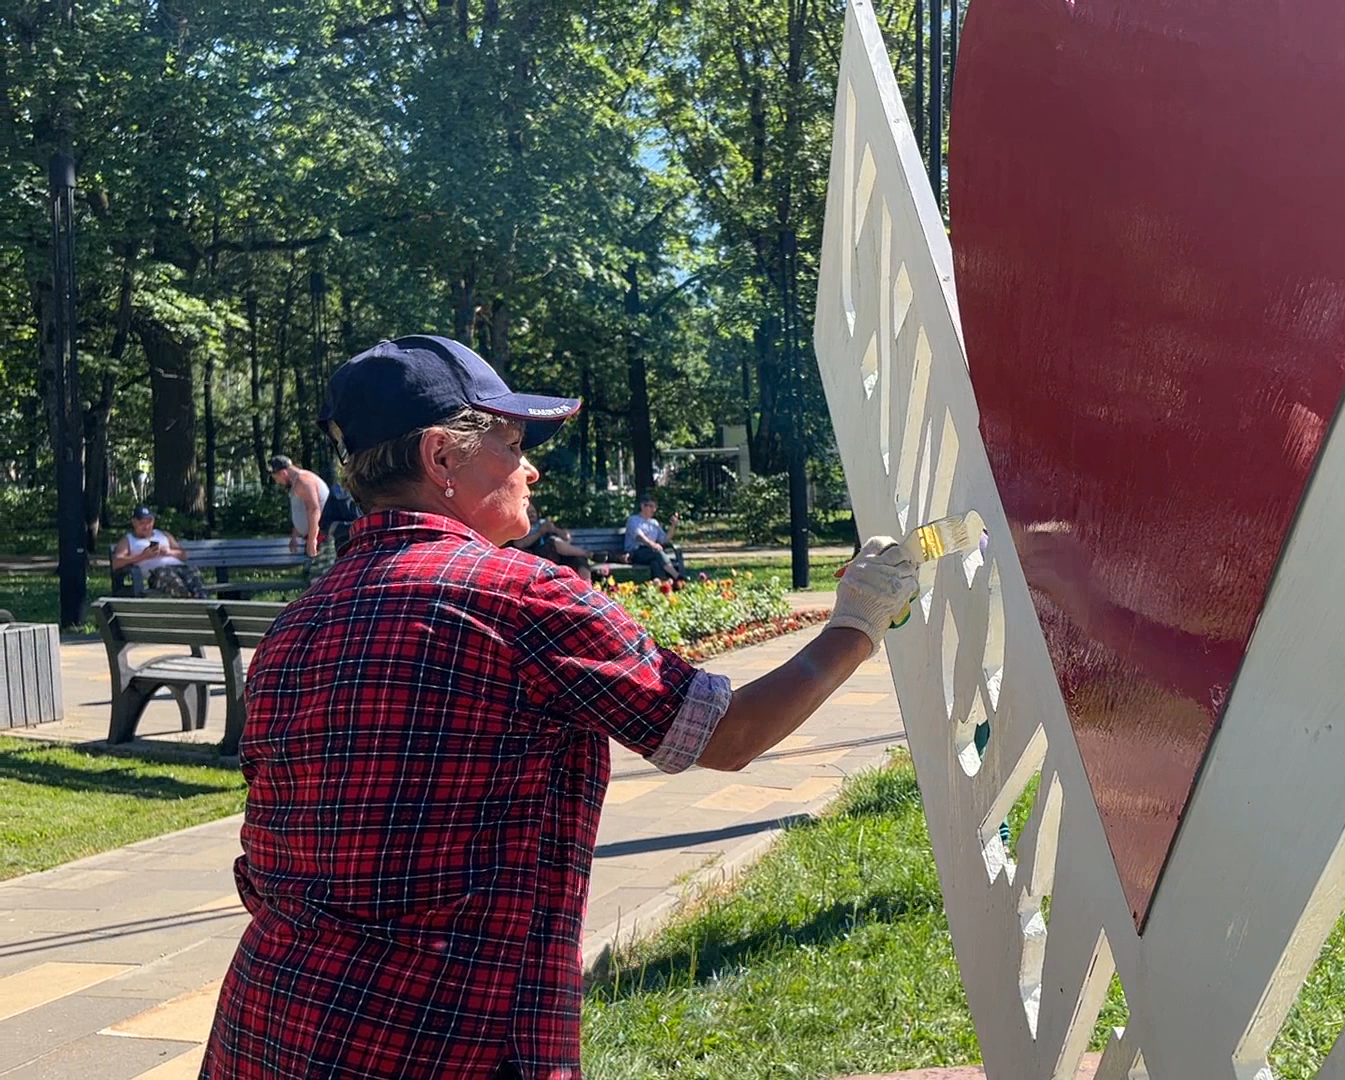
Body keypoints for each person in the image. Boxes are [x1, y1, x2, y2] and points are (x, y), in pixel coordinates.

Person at [201, 334, 916, 1080]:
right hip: (448, 1037)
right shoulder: (524, 596)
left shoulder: (297, 624)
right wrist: (856, 627)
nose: (531, 466)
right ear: (440, 458)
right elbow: (728, 735)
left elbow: (267, 855)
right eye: (511, 443)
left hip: (268, 1027)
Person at [109, 507, 209, 598]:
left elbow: (184, 555)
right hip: (158, 572)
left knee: (199, 587)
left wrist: (168, 552)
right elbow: (116, 563)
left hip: (180, 568)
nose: (146, 526)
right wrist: (143, 556)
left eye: (149, 522)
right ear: (134, 522)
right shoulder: (128, 540)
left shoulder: (163, 534)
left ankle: (208, 613)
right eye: (142, 523)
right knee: (179, 588)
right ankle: (193, 613)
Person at [508, 501, 593, 580]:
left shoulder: (543, 523)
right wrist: (540, 532)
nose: (532, 515)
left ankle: (587, 588)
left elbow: (567, 537)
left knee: (580, 559)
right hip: (538, 556)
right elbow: (519, 544)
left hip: (558, 555)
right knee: (552, 543)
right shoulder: (522, 528)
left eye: (533, 512)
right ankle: (586, 553)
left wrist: (554, 529)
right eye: (529, 513)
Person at [267, 455, 332, 557]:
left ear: (283, 473)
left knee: (320, 572)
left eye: (276, 478)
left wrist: (312, 540)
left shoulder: (303, 481)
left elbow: (314, 509)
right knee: (311, 571)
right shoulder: (297, 483)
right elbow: (301, 511)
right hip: (315, 537)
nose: (277, 482)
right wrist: (294, 536)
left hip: (322, 536)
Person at [623, 496, 685, 582]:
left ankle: (660, 581)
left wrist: (673, 526)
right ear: (643, 506)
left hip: (650, 552)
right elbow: (639, 537)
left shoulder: (654, 522)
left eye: (655, 507)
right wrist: (653, 544)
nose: (654, 510)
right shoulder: (633, 520)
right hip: (635, 553)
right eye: (651, 506)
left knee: (655, 560)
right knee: (656, 552)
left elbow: (664, 540)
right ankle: (677, 576)